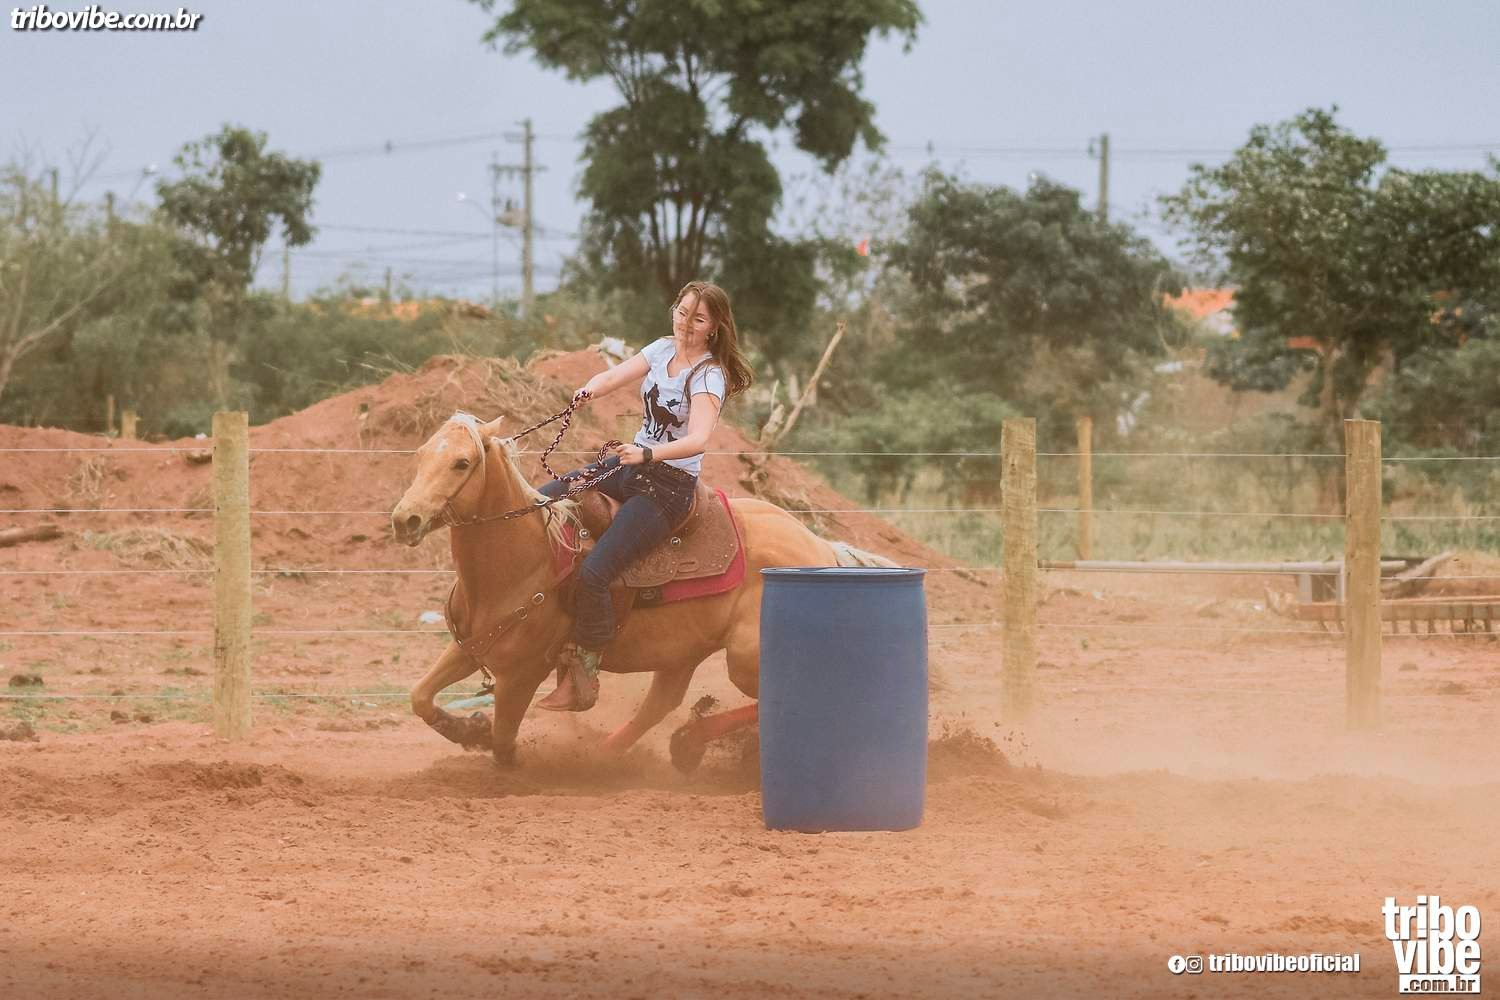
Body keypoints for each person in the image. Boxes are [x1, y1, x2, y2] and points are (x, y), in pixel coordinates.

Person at [534, 280, 755, 711]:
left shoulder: (708, 375)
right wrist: (589, 390)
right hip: (631, 465)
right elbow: (614, 375)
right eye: (682, 311)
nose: (685, 323)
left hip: (668, 487)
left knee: (596, 572)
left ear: (714, 327)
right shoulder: (660, 349)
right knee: (543, 502)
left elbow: (698, 439)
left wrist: (648, 453)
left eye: (698, 318)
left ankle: (585, 672)